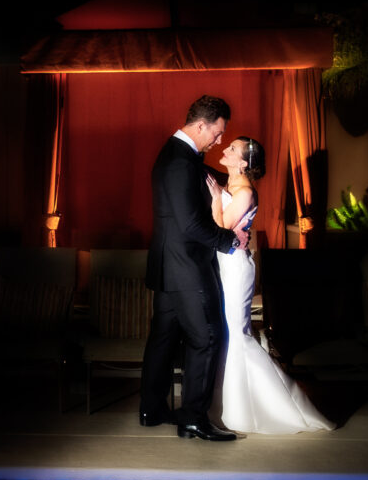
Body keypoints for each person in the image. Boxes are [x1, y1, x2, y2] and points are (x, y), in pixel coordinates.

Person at [208, 137, 335, 434]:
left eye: (232, 150)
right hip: (224, 265)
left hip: (236, 267)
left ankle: (279, 407)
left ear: (243, 163)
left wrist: (215, 198)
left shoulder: (245, 192)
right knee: (230, 335)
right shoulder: (231, 186)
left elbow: (222, 228)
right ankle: (233, 407)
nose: (224, 150)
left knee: (238, 335)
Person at [141, 96, 239, 441]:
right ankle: (193, 418)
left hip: (169, 264)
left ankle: (152, 409)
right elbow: (191, 226)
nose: (220, 140)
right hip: (185, 265)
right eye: (218, 132)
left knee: (164, 337)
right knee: (207, 338)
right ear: (202, 125)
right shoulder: (181, 162)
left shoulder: (178, 155)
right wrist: (230, 240)